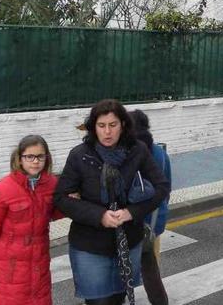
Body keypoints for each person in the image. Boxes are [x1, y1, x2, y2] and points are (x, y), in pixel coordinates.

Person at [55, 99, 171, 305]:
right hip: (90, 244)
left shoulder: (138, 150)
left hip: (128, 241)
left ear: (123, 125)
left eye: (113, 125)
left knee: (118, 298)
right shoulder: (80, 155)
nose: (107, 132)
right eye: (101, 126)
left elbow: (161, 187)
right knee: (98, 302)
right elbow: (61, 198)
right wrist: (99, 216)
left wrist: (131, 212)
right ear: (93, 127)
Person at [0, 135, 60, 305]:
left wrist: (73, 201)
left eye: (40, 156)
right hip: (10, 268)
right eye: (29, 156)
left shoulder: (52, 184)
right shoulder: (2, 189)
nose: (35, 161)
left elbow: (54, 212)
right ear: (20, 159)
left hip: (39, 264)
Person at [129, 110, 171, 305]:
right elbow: (167, 187)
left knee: (121, 269)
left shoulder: (129, 151)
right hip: (154, 221)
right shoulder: (160, 153)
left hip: (130, 221)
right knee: (151, 269)